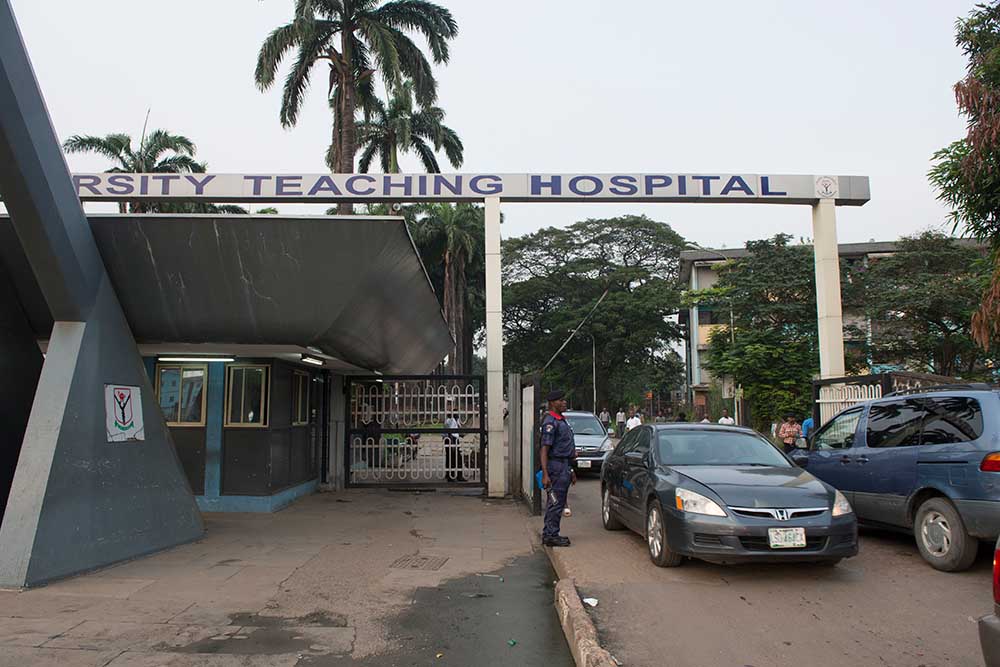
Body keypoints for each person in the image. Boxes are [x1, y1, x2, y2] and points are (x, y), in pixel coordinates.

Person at [540, 389, 577, 547]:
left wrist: (571, 470)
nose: (564, 403)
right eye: (560, 401)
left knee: (558, 501)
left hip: (564, 465)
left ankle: (551, 532)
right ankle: (550, 535)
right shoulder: (550, 422)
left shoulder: (561, 420)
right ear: (552, 403)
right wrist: (545, 474)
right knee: (555, 502)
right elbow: (544, 449)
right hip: (556, 466)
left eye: (564, 400)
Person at [444, 413, 465, 482]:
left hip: (452, 439)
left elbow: (457, 430)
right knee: (454, 458)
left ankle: (450, 475)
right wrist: (452, 444)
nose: (458, 415)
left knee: (450, 458)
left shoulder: (456, 420)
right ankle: (455, 476)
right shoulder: (450, 420)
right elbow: (450, 432)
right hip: (451, 440)